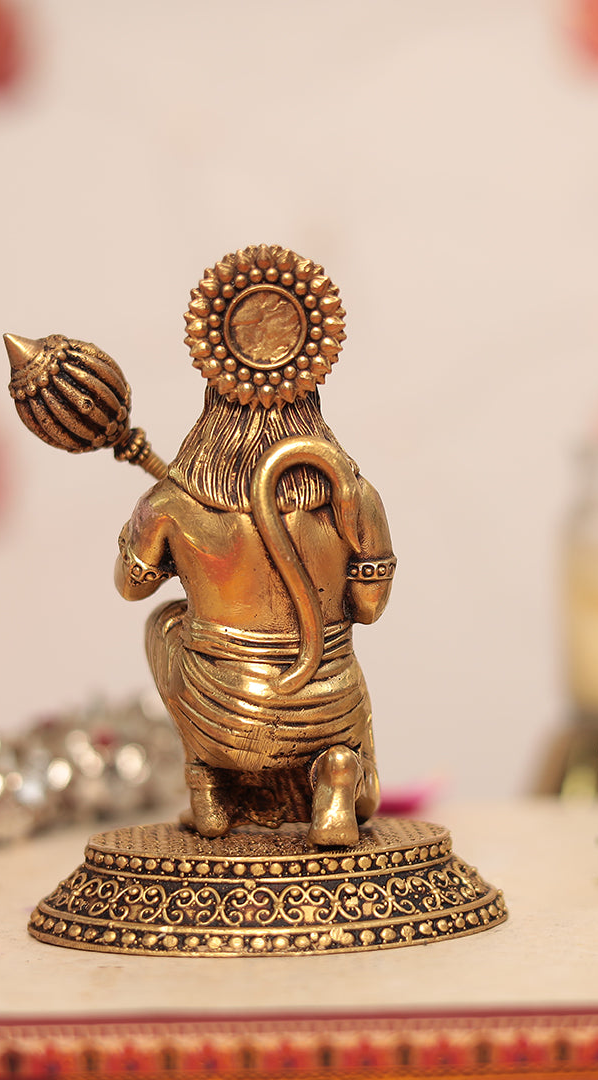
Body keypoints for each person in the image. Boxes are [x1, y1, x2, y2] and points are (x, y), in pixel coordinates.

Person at [115, 248, 395, 846]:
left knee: (166, 625)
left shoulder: (171, 503)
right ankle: (335, 772)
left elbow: (131, 587)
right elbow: (369, 609)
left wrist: (145, 528)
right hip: (324, 705)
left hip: (224, 709)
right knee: (358, 759)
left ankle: (209, 776)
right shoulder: (353, 494)